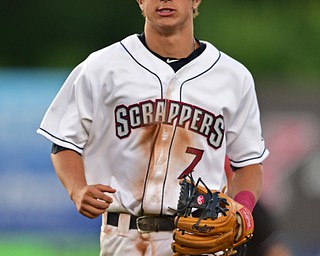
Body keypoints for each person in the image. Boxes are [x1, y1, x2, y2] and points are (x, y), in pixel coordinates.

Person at [37, 0, 269, 255]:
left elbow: (247, 162)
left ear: (195, 1)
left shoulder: (233, 77)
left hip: (201, 236)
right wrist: (77, 188)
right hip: (123, 237)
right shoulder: (102, 66)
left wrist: (243, 209)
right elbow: (64, 144)